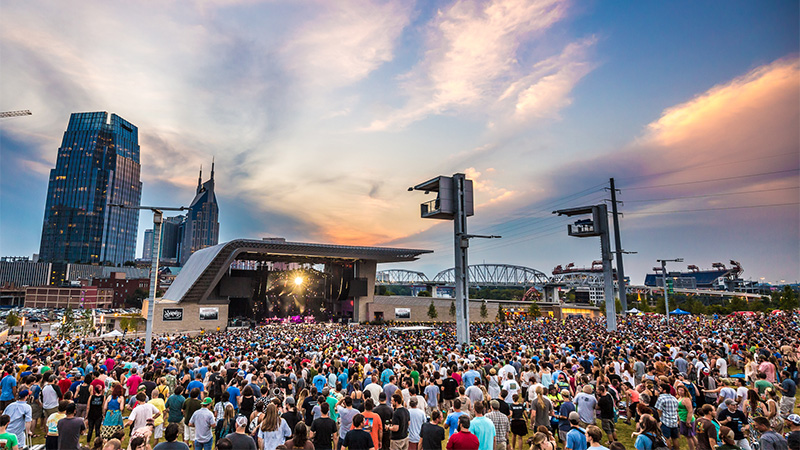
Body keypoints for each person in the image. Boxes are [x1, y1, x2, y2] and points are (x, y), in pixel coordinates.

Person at [654, 383, 680, 450]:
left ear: (664, 390)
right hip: (674, 421)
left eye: (660, 388)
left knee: (666, 439)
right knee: (675, 439)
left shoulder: (661, 398)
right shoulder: (674, 398)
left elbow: (659, 410)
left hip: (665, 421)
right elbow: (677, 410)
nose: (659, 389)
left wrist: (659, 420)